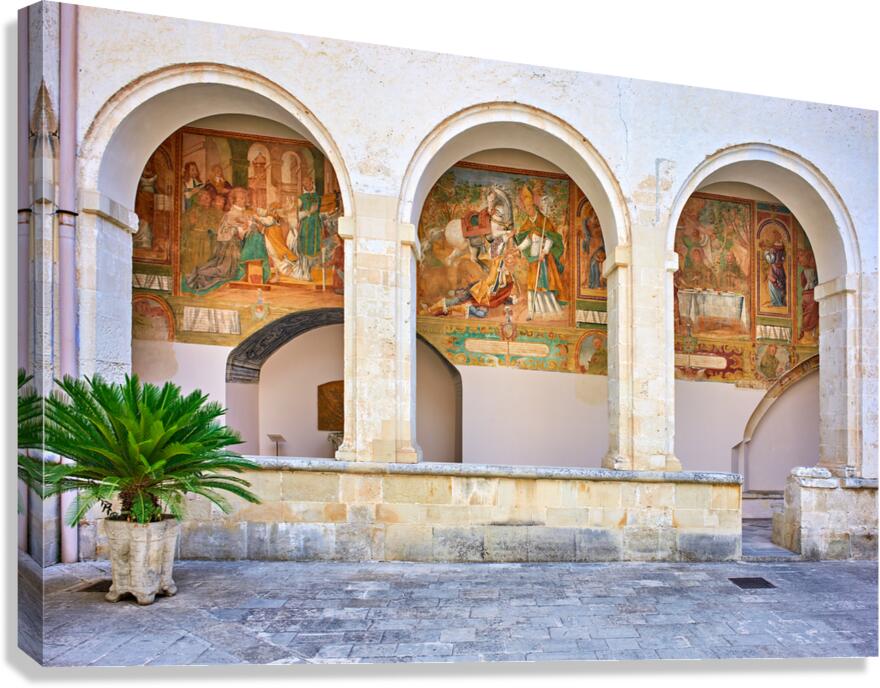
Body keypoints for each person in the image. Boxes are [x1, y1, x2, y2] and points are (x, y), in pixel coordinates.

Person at [183, 187, 249, 294]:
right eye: (241, 198)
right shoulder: (232, 213)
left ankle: (199, 272)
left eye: (244, 198)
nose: (243, 200)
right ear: (234, 200)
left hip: (235, 244)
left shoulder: (241, 212)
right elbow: (230, 229)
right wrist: (241, 228)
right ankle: (197, 273)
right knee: (223, 270)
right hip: (229, 246)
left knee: (228, 270)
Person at [514, 185, 565, 320]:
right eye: (526, 208)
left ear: (534, 207)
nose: (528, 210)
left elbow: (551, 238)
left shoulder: (544, 222)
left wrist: (545, 251)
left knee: (544, 283)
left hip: (544, 259)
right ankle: (532, 311)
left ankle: (548, 311)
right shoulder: (526, 224)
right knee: (532, 284)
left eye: (530, 207)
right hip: (533, 259)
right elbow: (527, 241)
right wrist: (518, 248)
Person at [180, 188, 223, 275]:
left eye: (207, 198)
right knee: (192, 261)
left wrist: (213, 228)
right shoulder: (193, 210)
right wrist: (190, 221)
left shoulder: (214, 211)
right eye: (203, 198)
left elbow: (218, 225)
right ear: (198, 199)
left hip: (206, 239)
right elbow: (183, 224)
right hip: (193, 239)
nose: (205, 200)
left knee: (204, 262)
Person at [295, 179, 323, 280]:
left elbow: (319, 211)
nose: (308, 185)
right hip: (306, 226)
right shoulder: (301, 198)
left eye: (309, 182)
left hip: (315, 226)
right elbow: (296, 215)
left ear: (312, 183)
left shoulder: (317, 197)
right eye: (305, 183)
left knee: (314, 248)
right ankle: (305, 272)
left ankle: (309, 271)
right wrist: (308, 212)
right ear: (303, 185)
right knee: (305, 247)